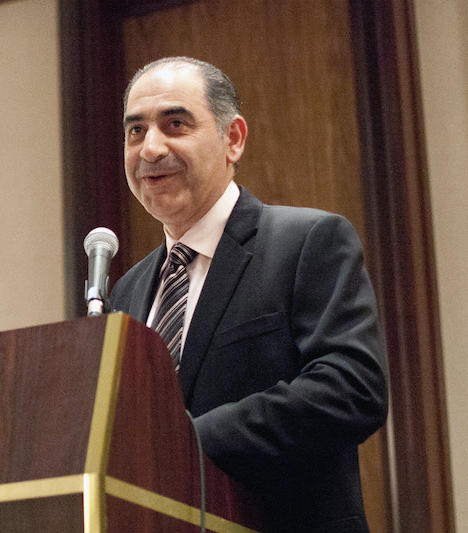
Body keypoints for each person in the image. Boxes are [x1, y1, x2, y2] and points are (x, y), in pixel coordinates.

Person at [109, 57, 388, 533]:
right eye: (136, 131)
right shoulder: (127, 291)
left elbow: (351, 389)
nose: (151, 148)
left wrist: (185, 442)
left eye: (175, 125)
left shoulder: (308, 242)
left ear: (233, 139)